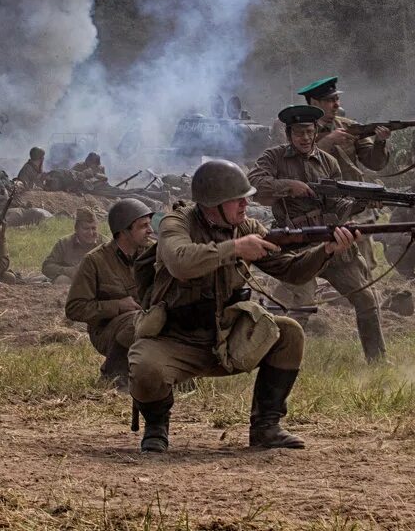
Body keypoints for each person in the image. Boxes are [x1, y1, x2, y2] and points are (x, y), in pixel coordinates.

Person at [127, 160, 357, 453]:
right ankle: (157, 426)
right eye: (239, 199)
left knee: (288, 334)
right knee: (145, 367)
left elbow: (291, 271)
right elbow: (180, 261)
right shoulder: (177, 223)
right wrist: (235, 249)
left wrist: (326, 250)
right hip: (174, 339)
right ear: (214, 203)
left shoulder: (246, 228)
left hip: (226, 336)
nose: (246, 204)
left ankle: (266, 428)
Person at [247, 104, 388, 362]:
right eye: (299, 132)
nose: (304, 138)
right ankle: (275, 363)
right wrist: (289, 186)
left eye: (309, 132)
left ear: (315, 133)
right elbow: (254, 182)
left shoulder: (329, 162)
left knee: (366, 298)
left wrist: (362, 202)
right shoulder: (274, 158)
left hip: (330, 241)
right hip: (297, 244)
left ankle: (378, 361)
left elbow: (338, 204)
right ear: (289, 134)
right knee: (297, 308)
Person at [65, 199, 155, 390]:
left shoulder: (154, 253)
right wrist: (118, 306)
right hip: (106, 331)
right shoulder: (95, 261)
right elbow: (74, 308)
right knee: (137, 322)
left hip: (149, 322)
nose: (150, 230)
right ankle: (113, 376)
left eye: (150, 224)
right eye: (143, 226)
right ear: (124, 231)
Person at [297, 76, 390, 182]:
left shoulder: (349, 126)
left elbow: (375, 164)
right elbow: (296, 166)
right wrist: (328, 141)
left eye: (337, 99)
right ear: (314, 103)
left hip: (350, 193)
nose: (336, 105)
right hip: (316, 192)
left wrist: (379, 142)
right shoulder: (298, 131)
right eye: (330, 100)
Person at [42, 208, 104, 285]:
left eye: (93, 228)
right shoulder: (64, 243)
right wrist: (70, 271)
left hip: (99, 284)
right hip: (72, 284)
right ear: (76, 229)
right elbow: (47, 266)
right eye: (86, 228)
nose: (91, 233)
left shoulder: (105, 244)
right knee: (62, 280)